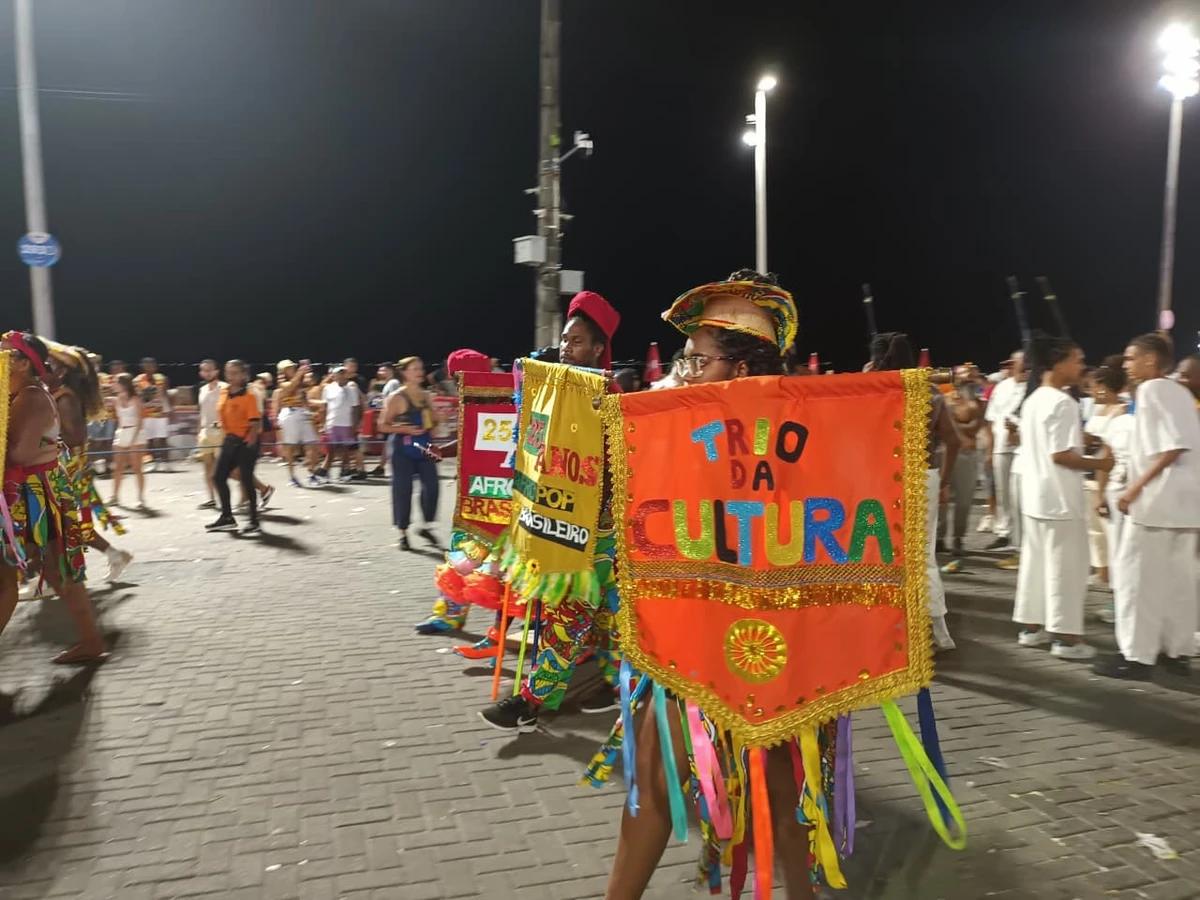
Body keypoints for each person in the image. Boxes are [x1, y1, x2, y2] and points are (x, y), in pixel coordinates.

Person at [597, 272, 831, 900]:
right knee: (658, 780)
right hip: (692, 635)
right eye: (686, 357)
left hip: (767, 646)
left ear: (744, 364)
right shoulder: (680, 422)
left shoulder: (807, 431)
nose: (687, 370)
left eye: (699, 358)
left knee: (778, 796)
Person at [479, 289, 623, 731]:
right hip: (557, 523)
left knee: (571, 612)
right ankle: (616, 684)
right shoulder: (551, 392)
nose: (566, 347)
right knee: (603, 618)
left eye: (577, 341)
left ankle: (530, 699)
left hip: (596, 533)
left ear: (598, 348)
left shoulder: (609, 396)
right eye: (564, 339)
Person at [1093, 334, 1200, 679]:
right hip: (1185, 505)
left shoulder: (1153, 391)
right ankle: (1176, 650)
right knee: (1178, 582)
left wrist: (1133, 489)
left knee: (1137, 579)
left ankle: (1137, 656)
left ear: (1150, 361)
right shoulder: (1180, 392)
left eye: (1130, 358)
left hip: (1157, 502)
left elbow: (1172, 448)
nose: (1125, 365)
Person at [0, 331, 108, 664]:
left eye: (3, 353)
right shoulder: (19, 394)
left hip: (40, 495)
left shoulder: (31, 398)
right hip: (32, 493)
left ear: (20, 363)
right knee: (56, 575)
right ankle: (92, 642)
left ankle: (93, 643)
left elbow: (18, 453)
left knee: (12, 578)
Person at [1012, 335, 1111, 661]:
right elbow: (1061, 455)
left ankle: (1031, 628)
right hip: (1059, 499)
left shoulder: (1035, 399)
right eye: (1077, 359)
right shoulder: (1063, 402)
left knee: (1035, 565)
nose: (1081, 366)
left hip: (1035, 497)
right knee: (1066, 571)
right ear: (1058, 363)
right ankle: (1066, 639)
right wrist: (1100, 462)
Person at [867, 332, 959, 651]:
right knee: (923, 555)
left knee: (884, 554)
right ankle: (937, 631)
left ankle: (893, 628)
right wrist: (943, 483)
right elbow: (955, 440)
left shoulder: (871, 393)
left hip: (882, 478)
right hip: (924, 475)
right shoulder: (930, 392)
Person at [48, 345, 134, 582]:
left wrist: (38, 440)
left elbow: (76, 436)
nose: (42, 368)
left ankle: (45, 577)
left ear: (62, 372)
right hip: (62, 464)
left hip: (64, 467)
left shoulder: (64, 398)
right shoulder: (57, 394)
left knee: (58, 522)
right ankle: (113, 554)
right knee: (62, 523)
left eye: (48, 365)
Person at [380, 357, 441, 551]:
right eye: (414, 369)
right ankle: (403, 533)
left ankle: (425, 526)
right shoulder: (397, 397)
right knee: (403, 490)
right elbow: (382, 425)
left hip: (424, 447)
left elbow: (434, 422)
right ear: (404, 373)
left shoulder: (426, 396)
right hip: (402, 449)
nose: (419, 371)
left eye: (421, 368)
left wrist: (437, 421)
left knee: (432, 487)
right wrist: (404, 429)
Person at [1082, 357, 1127, 592]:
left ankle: (1117, 589)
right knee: (1095, 534)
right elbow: (1088, 440)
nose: (1090, 391)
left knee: (1113, 537)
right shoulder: (1100, 410)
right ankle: (1105, 578)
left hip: (1106, 480)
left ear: (1104, 387)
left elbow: (1111, 452)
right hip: (1089, 477)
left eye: (1093, 387)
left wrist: (1101, 493)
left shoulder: (1121, 411)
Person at [206, 360, 265, 535]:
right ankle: (227, 517)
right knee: (218, 477)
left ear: (243, 375)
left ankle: (254, 521)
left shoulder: (249, 396)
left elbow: (255, 424)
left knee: (246, 480)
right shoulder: (224, 392)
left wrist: (250, 444)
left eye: (234, 373)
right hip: (230, 440)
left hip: (246, 442)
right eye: (228, 372)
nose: (229, 376)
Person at [940, 364, 985, 558]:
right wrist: (961, 424)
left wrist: (953, 424)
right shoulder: (945, 399)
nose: (970, 379)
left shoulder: (980, 404)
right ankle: (939, 538)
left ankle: (959, 537)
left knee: (964, 501)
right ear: (956, 379)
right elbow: (942, 426)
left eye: (973, 376)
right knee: (941, 498)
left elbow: (975, 428)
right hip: (945, 453)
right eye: (965, 376)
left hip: (967, 454)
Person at [985, 352, 1026, 560]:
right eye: (1019, 363)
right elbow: (991, 420)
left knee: (1021, 495)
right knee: (1003, 493)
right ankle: (1005, 533)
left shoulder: (1034, 386)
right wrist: (989, 450)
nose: (1022, 366)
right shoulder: (1002, 387)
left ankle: (1022, 538)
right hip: (1001, 446)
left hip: (1024, 449)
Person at [275, 360, 321, 487]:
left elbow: (305, 396)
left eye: (293, 367)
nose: (293, 369)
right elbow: (289, 387)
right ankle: (292, 476)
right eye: (290, 368)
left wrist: (310, 411)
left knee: (311, 443)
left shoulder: (300, 381)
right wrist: (300, 373)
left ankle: (312, 474)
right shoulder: (282, 382)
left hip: (302, 412)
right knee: (290, 446)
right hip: (289, 413)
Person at [110, 373, 147, 508]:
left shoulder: (136, 399)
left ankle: (140, 498)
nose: (113, 385)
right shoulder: (115, 400)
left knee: (137, 468)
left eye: (115, 382)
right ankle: (114, 496)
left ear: (123, 384)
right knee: (118, 468)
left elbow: (139, 421)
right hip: (122, 431)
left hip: (136, 432)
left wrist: (133, 439)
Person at [319, 366, 362, 482]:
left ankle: (343, 471)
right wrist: (323, 424)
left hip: (347, 424)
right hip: (332, 422)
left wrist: (355, 425)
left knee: (345, 449)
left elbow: (355, 408)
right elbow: (324, 407)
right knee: (332, 449)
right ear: (334, 376)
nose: (342, 375)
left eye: (344, 373)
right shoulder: (328, 389)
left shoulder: (352, 389)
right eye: (340, 373)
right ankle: (325, 472)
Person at [196, 359, 226, 509]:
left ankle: (249, 494)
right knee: (207, 467)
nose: (207, 373)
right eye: (204, 370)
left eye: (210, 370)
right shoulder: (202, 390)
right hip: (205, 432)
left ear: (216, 371)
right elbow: (201, 413)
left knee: (226, 469)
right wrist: (198, 432)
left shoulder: (224, 388)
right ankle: (211, 498)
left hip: (221, 431)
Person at [134, 357, 171, 470]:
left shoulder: (162, 378)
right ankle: (151, 462)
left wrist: (168, 409)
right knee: (148, 440)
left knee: (162, 439)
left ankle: (164, 462)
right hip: (145, 414)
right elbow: (137, 397)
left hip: (160, 413)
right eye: (146, 365)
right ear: (142, 367)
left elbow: (165, 394)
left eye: (151, 365)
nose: (149, 367)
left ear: (155, 366)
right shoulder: (137, 380)